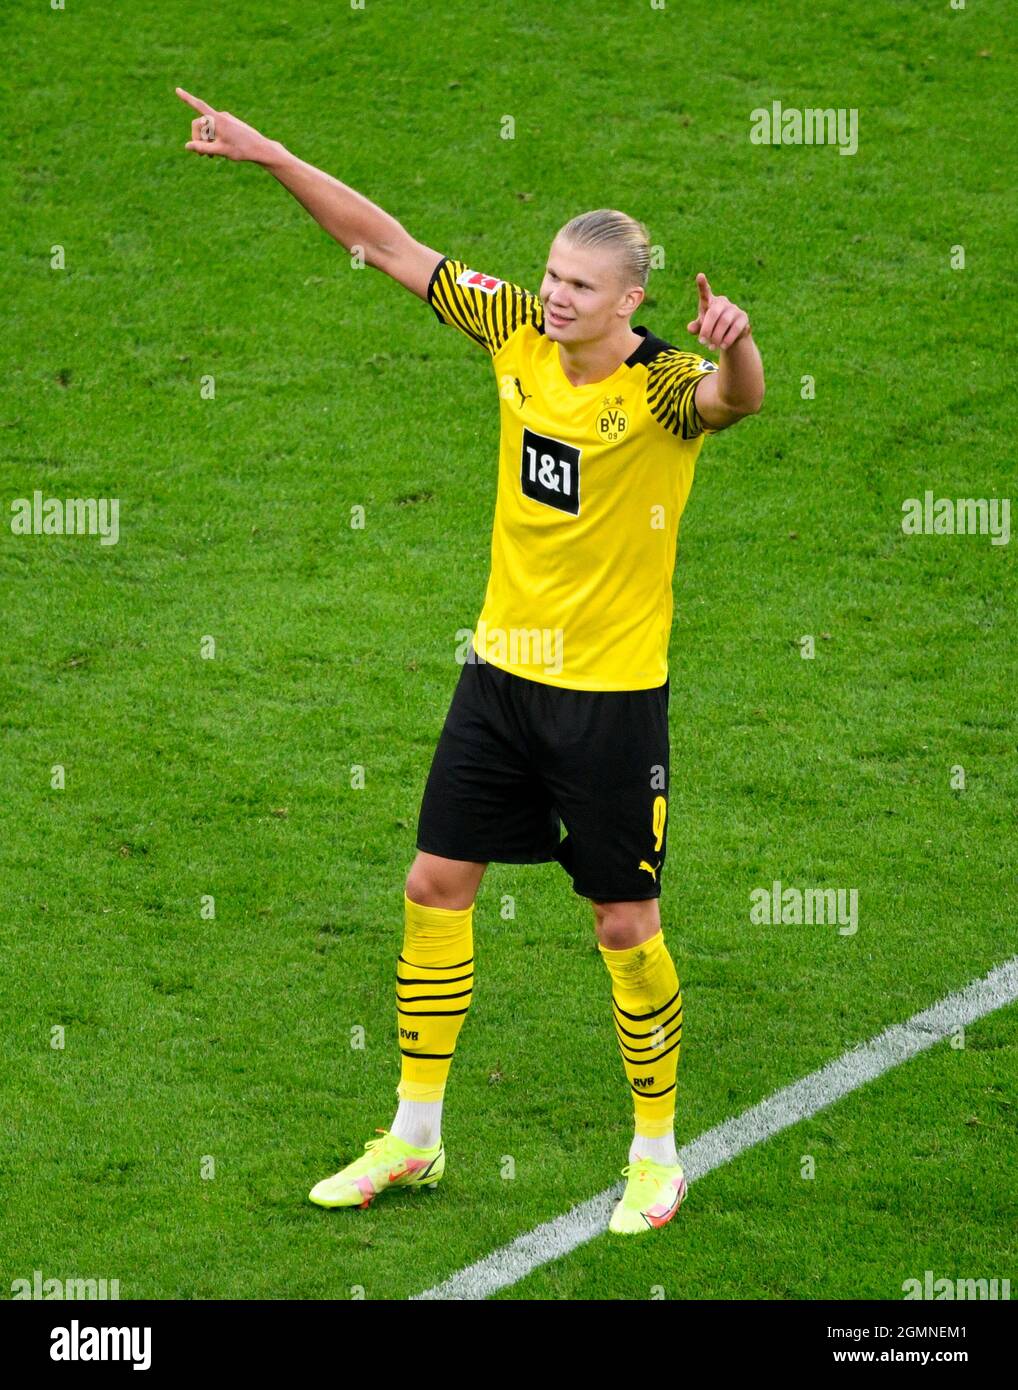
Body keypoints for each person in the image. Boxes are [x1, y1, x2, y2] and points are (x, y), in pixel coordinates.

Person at [178, 87, 764, 1234]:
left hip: (608, 704)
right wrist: (272, 152)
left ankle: (655, 1153)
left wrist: (741, 354)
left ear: (629, 301)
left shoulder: (658, 386)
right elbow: (383, 243)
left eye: (578, 286)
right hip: (498, 679)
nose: (552, 293)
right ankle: (414, 1135)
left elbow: (731, 404)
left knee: (621, 926)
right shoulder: (510, 332)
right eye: (549, 273)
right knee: (434, 887)